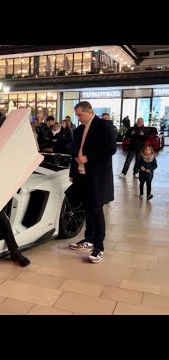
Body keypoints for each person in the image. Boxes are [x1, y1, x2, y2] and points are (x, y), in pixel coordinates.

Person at [69, 101, 116, 264]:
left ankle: (99, 247)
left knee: (97, 210)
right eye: (77, 115)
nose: (78, 118)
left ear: (89, 112)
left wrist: (88, 158)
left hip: (97, 176)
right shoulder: (79, 129)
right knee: (87, 207)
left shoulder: (104, 126)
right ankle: (88, 239)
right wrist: (73, 172)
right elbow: (74, 152)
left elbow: (110, 149)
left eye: (80, 115)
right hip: (82, 176)